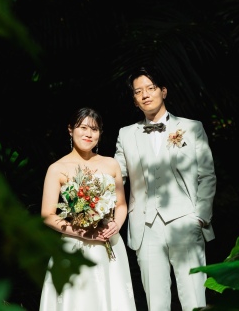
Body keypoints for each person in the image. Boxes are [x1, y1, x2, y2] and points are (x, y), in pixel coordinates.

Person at [114, 67, 216, 311]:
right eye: (138, 92)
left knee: (194, 297)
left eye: (150, 88)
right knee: (156, 302)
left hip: (185, 220)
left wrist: (200, 217)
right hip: (145, 226)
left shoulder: (192, 127)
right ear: (135, 100)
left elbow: (207, 174)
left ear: (163, 91)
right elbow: (115, 176)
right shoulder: (126, 134)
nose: (145, 95)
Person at [39, 107, 137, 311]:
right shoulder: (57, 168)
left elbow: (121, 204)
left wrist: (116, 225)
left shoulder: (111, 164)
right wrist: (85, 233)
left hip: (110, 244)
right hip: (75, 246)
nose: (88, 134)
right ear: (70, 130)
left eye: (94, 129)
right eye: (82, 127)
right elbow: (47, 215)